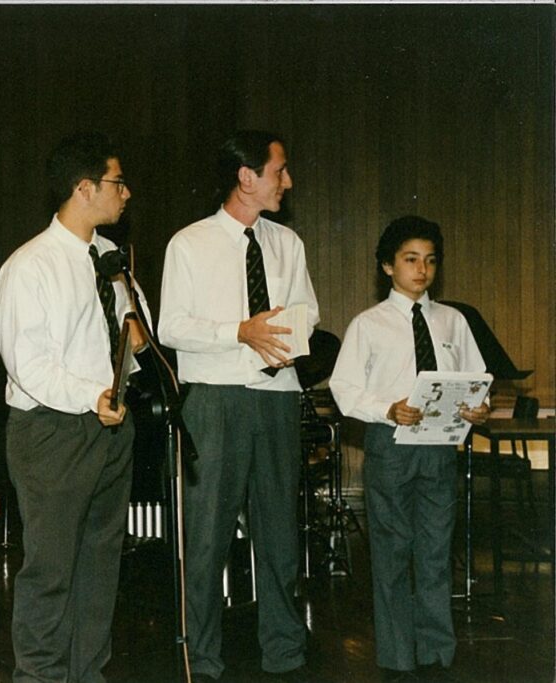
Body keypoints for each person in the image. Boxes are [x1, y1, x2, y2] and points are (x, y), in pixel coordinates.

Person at [158, 130, 318, 681]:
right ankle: (201, 660)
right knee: (205, 538)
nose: (288, 182)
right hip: (215, 401)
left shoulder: (287, 244)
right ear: (246, 177)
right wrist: (240, 332)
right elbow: (171, 327)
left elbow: (308, 313)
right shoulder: (189, 244)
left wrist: (286, 338)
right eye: (280, 171)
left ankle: (285, 653)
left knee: (280, 534)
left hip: (276, 398)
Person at [0, 131, 147, 683]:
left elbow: (132, 332)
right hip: (52, 432)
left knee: (100, 569)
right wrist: (92, 396)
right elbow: (27, 365)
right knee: (52, 572)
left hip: (110, 426)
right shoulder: (29, 266)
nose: (126, 193)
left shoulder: (109, 257)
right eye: (117, 182)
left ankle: (88, 676)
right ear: (85, 188)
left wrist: (136, 338)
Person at [329, 216, 488, 681]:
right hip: (391, 444)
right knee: (393, 551)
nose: (422, 270)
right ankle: (399, 656)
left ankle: (438, 650)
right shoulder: (369, 324)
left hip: (440, 446)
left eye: (430, 260)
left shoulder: (452, 321)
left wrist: (476, 408)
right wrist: (386, 409)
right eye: (411, 259)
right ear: (387, 265)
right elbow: (343, 388)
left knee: (437, 550)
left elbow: (475, 379)